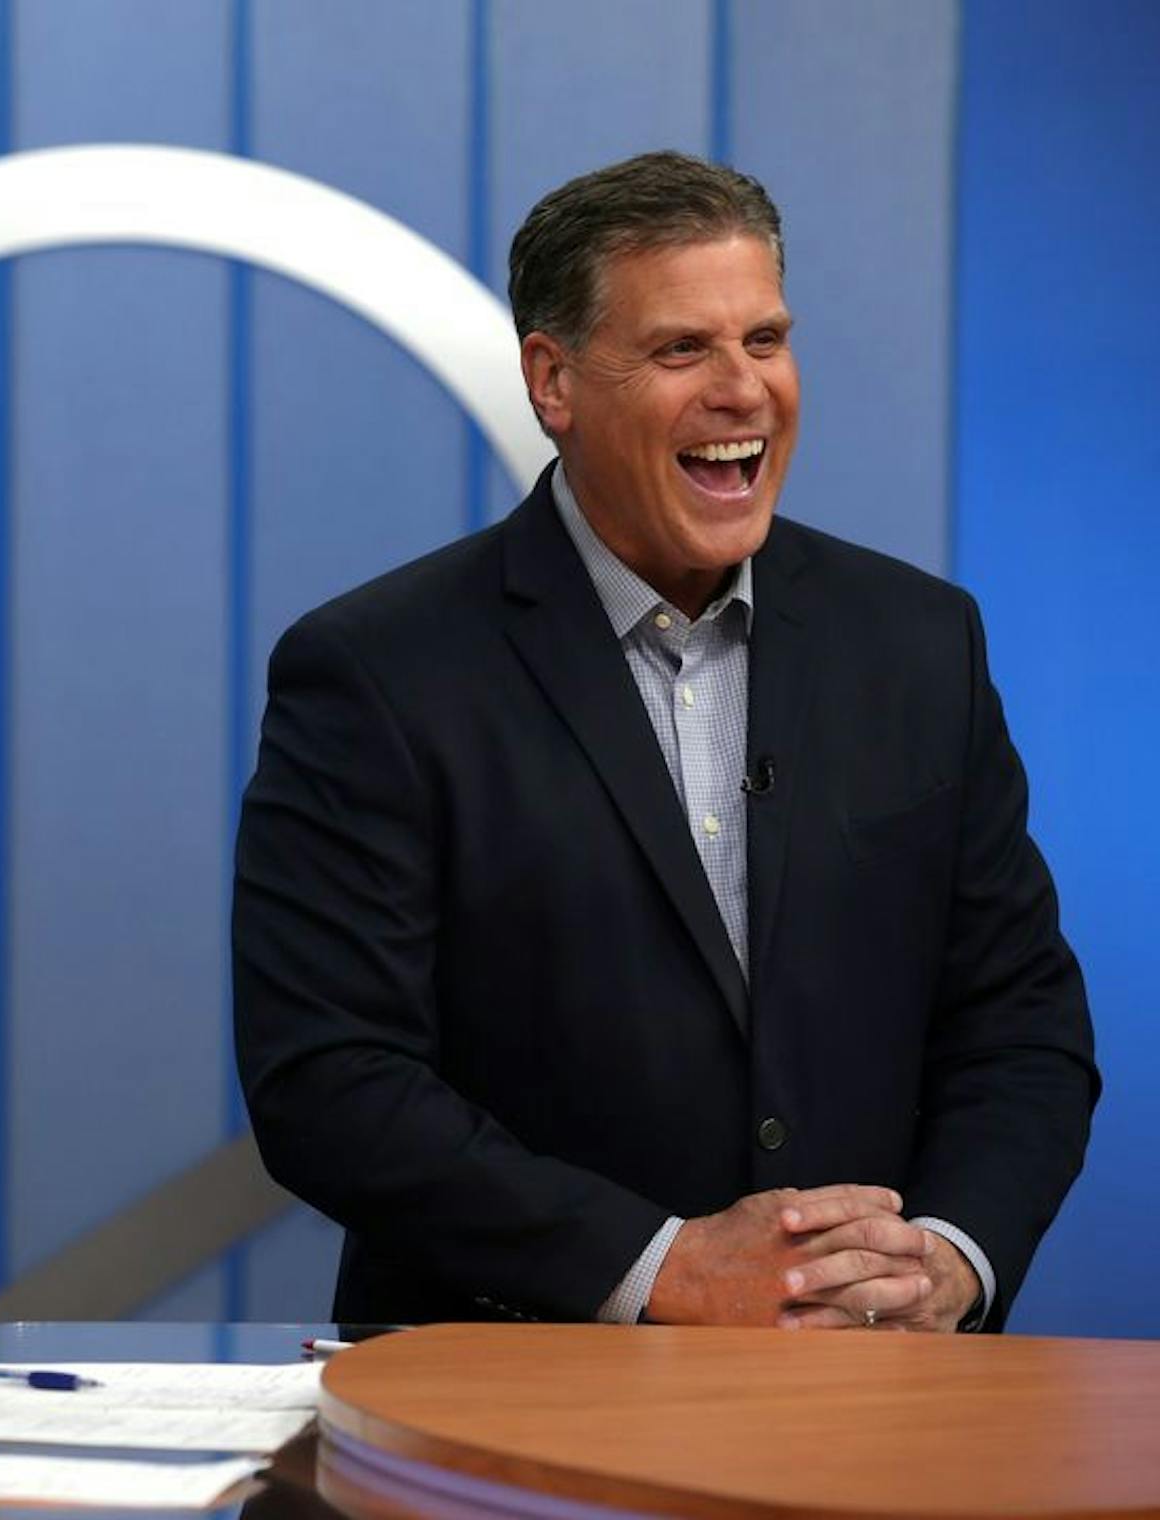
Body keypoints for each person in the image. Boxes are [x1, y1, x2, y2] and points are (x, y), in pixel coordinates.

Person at [234, 152, 1097, 1336]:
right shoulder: (379, 670)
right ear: (555, 380)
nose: (743, 389)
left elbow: (1019, 1019)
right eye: (683, 349)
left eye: (767, 339)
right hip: (510, 1412)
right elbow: (329, 1082)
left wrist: (945, 1259)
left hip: (866, 1409)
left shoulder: (919, 640)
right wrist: (660, 1266)